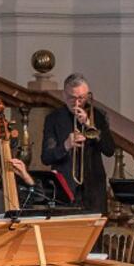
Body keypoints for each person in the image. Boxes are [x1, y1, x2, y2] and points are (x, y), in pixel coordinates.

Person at [40, 74, 115, 214]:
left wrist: (89, 124)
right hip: (65, 190)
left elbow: (109, 150)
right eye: (71, 98)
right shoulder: (53, 118)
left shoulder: (99, 116)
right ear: (64, 95)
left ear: (88, 95)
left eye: (81, 98)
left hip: (94, 190)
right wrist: (66, 146)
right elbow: (46, 157)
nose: (76, 103)